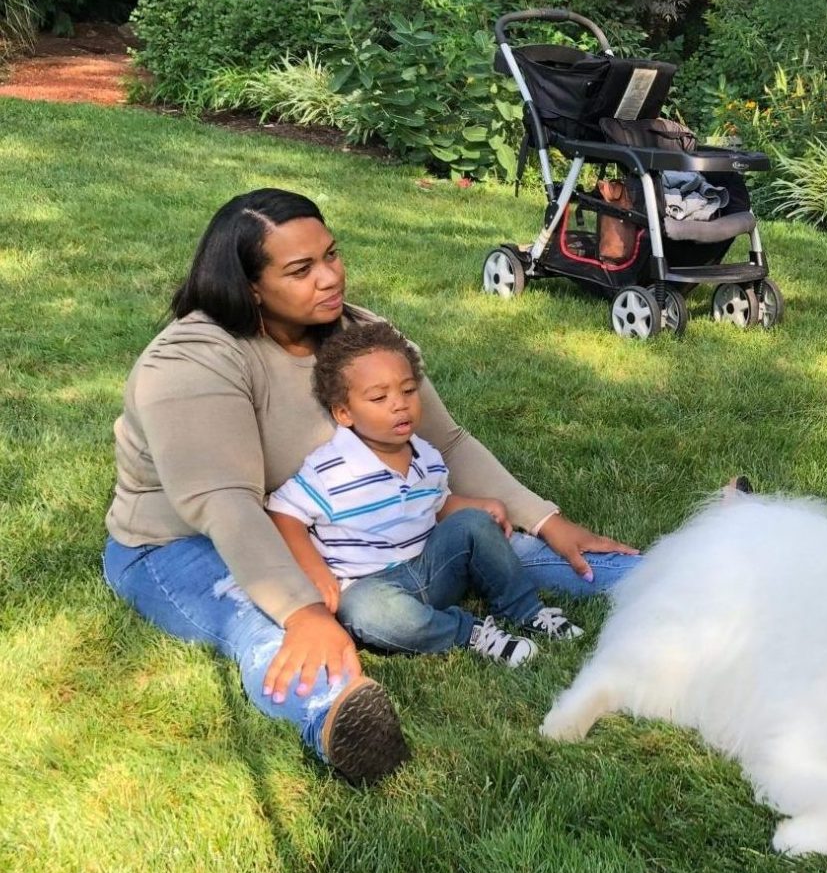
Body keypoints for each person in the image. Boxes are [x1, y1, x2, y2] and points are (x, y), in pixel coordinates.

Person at [104, 189, 641, 785]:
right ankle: (338, 714)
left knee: (514, 544)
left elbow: (449, 443)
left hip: (360, 516)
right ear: (250, 286)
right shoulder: (193, 360)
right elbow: (223, 503)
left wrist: (546, 518)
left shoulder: (360, 337)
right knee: (268, 625)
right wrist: (304, 609)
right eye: (301, 270)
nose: (331, 278)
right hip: (187, 541)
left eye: (331, 256)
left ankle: (682, 579)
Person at [267, 320, 585, 673]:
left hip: (432, 568)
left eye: (407, 391)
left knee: (474, 524)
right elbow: (284, 513)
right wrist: (313, 570)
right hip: (371, 587)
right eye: (378, 397)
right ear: (344, 413)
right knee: (364, 612)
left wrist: (476, 509)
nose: (399, 405)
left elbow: (435, 506)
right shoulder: (330, 469)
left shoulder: (425, 455)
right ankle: (470, 634)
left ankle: (527, 610)